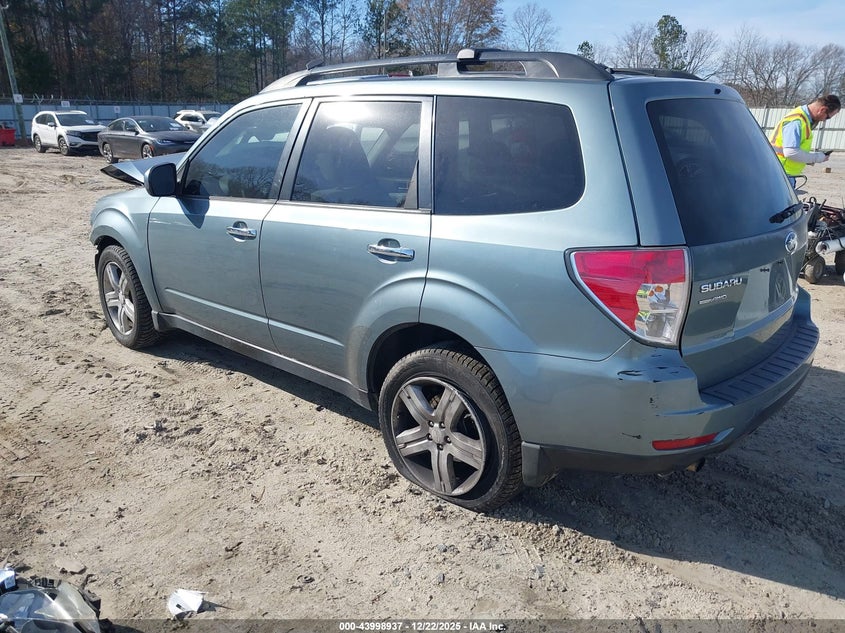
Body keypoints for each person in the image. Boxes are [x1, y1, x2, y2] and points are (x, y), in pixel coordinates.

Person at [770, 94, 841, 188]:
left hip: (782, 173)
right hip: (781, 175)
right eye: (827, 117)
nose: (824, 120)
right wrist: (817, 157)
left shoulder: (803, 120)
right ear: (822, 110)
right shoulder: (797, 121)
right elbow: (791, 152)